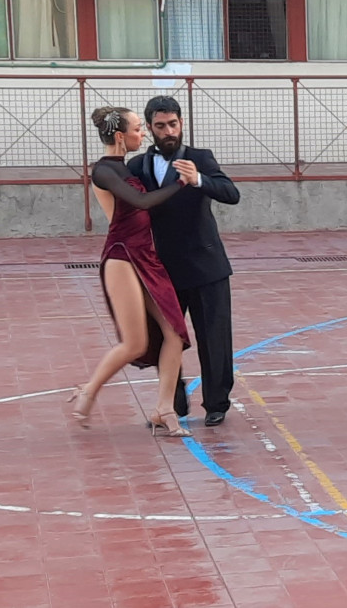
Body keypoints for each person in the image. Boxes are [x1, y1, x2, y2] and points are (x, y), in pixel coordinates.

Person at [68, 107, 194, 437]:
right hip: (122, 256)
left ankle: (164, 408)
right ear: (121, 136)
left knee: (175, 333)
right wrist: (182, 182)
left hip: (146, 256)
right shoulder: (104, 171)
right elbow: (142, 203)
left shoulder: (124, 168)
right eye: (139, 128)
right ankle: (89, 390)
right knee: (135, 343)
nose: (145, 134)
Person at [128, 96, 240, 428]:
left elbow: (231, 193)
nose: (168, 131)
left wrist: (199, 180)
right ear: (149, 128)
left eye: (173, 124)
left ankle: (217, 403)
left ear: (181, 123)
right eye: (160, 126)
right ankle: (173, 403)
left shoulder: (199, 158)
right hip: (162, 270)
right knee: (167, 338)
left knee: (214, 337)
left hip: (207, 267)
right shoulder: (137, 167)